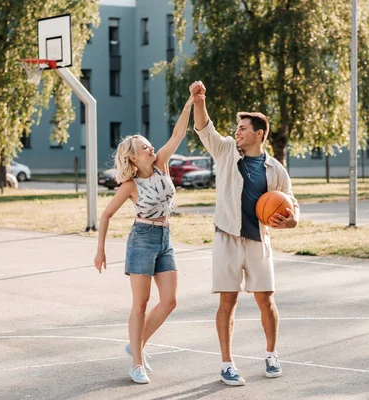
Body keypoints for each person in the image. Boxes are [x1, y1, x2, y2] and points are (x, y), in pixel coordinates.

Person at [189, 81, 299, 386]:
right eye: (236, 127)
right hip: (226, 238)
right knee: (228, 302)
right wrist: (199, 100)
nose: (237, 132)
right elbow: (204, 128)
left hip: (258, 240)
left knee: (267, 301)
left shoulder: (274, 168)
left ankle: (272, 355)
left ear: (259, 134)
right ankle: (227, 363)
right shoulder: (225, 151)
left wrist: (292, 221)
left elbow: (291, 202)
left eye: (242, 128)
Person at [94, 95, 194, 384]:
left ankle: (135, 344)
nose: (150, 147)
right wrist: (100, 251)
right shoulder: (129, 185)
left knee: (169, 301)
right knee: (140, 304)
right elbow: (105, 216)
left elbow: (178, 134)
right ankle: (136, 362)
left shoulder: (162, 163)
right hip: (142, 238)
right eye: (143, 147)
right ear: (133, 158)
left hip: (165, 236)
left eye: (149, 144)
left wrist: (188, 102)